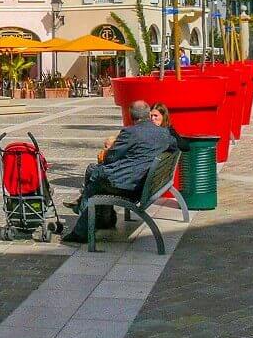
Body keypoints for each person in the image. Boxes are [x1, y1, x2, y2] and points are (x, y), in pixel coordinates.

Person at [56, 100, 177, 243]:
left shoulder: (130, 132)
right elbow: (175, 145)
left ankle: (83, 229)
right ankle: (102, 218)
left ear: (132, 117)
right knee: (94, 173)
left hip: (127, 186)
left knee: (94, 177)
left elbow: (111, 157)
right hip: (144, 184)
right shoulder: (164, 133)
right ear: (147, 114)